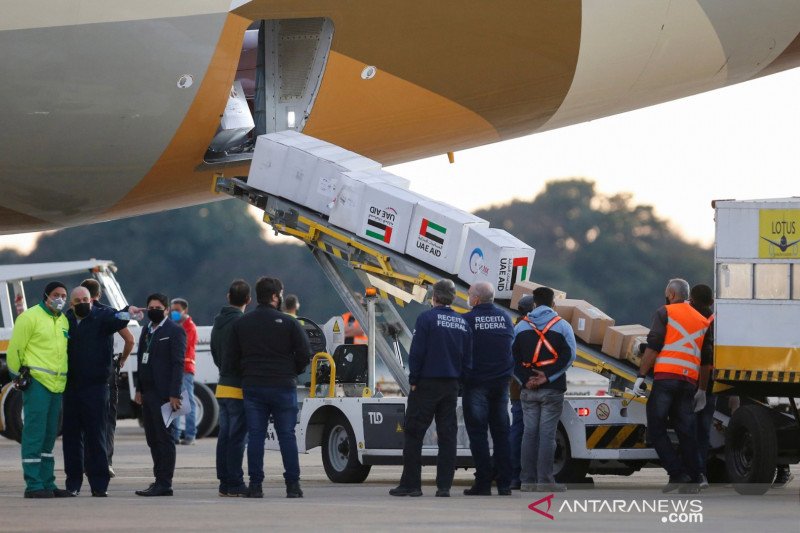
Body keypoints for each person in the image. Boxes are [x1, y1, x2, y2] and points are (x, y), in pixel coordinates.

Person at [229, 277, 312, 499]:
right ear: (275, 296)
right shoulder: (289, 322)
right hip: (283, 385)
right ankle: (292, 486)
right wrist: (291, 371)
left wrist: (247, 371)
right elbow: (305, 354)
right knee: (287, 435)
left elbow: (232, 358)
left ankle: (255, 485)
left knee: (255, 436)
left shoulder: (242, 323)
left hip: (253, 385)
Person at [390, 279, 472, 498]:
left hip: (426, 384)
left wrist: (414, 379)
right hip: (451, 386)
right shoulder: (463, 323)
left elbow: (417, 352)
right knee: (447, 435)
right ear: (453, 298)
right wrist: (460, 382)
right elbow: (468, 358)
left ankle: (411, 485)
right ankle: (444, 487)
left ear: (434, 297)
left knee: (413, 433)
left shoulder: (426, 319)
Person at [633, 278, 711, 494]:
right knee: (687, 431)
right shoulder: (703, 320)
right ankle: (694, 480)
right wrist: (702, 389)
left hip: (666, 378)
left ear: (671, 294)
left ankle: (677, 473)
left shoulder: (665, 312)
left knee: (656, 428)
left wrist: (641, 375)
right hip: (689, 382)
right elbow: (706, 359)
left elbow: (654, 345)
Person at [62, 287, 134, 497]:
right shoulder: (65, 320)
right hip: (72, 387)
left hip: (96, 387)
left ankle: (99, 484)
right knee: (72, 438)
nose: (84, 302)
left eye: (86, 299)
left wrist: (129, 312)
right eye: (79, 300)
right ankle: (73, 483)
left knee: (97, 436)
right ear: (72, 304)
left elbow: (119, 319)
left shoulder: (103, 316)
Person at [6, 281, 73, 498]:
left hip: (57, 385)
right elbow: (15, 349)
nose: (60, 299)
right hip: (37, 384)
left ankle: (48, 482)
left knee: (49, 436)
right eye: (56, 294)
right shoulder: (29, 317)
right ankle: (33, 485)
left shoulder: (63, 320)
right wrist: (18, 377)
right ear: (46, 295)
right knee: (34, 434)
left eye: (64, 295)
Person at [513, 287, 576, 493]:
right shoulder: (563, 326)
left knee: (529, 434)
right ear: (553, 303)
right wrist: (548, 376)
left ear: (534, 304)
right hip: (552, 389)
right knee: (547, 435)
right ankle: (545, 480)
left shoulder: (521, 327)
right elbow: (569, 356)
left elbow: (511, 358)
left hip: (528, 389)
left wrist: (526, 380)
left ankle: (527, 481)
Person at [461, 281, 515, 496]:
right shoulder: (505, 318)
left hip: (476, 384)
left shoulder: (467, 320)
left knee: (478, 435)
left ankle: (483, 483)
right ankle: (504, 484)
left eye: (469, 294)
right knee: (502, 435)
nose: (467, 297)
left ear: (476, 299)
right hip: (501, 384)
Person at [80, 278, 135, 478]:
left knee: (82, 418)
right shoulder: (108, 313)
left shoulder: (75, 312)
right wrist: (121, 360)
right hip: (105, 370)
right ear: (99, 294)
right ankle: (105, 462)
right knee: (107, 419)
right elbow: (130, 339)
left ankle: (84, 461)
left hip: (81, 371)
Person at [133, 293, 186, 496]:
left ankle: (165, 483)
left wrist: (174, 393)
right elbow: (141, 360)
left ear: (166, 310)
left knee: (165, 439)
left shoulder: (174, 331)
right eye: (150, 307)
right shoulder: (147, 330)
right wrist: (139, 388)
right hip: (148, 392)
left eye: (157, 307)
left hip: (165, 394)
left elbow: (178, 363)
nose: (153, 310)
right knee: (152, 438)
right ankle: (158, 479)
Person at [210, 280, 251, 497]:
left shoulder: (218, 322)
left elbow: (215, 353)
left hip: (222, 385)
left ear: (228, 297)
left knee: (225, 437)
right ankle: (235, 482)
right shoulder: (242, 323)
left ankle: (224, 483)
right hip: (238, 388)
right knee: (237, 439)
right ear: (248, 300)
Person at [689, 283, 715, 490]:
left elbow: (704, 357)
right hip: (711, 383)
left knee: (686, 428)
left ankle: (692, 473)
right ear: (712, 301)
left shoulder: (689, 318)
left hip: (689, 379)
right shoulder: (716, 320)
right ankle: (701, 473)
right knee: (703, 430)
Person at [509, 294, 534, 490]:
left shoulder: (514, 328)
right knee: (532, 432)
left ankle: (514, 475)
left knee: (517, 431)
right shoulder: (533, 329)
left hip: (518, 388)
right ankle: (529, 475)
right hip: (532, 387)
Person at [169, 298, 198, 445]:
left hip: (185, 369)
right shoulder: (177, 325)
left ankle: (190, 435)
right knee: (176, 402)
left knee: (188, 403)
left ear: (185, 311)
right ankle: (175, 435)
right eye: (172, 309)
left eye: (177, 310)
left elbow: (182, 348)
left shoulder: (189, 327)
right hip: (177, 368)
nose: (174, 313)